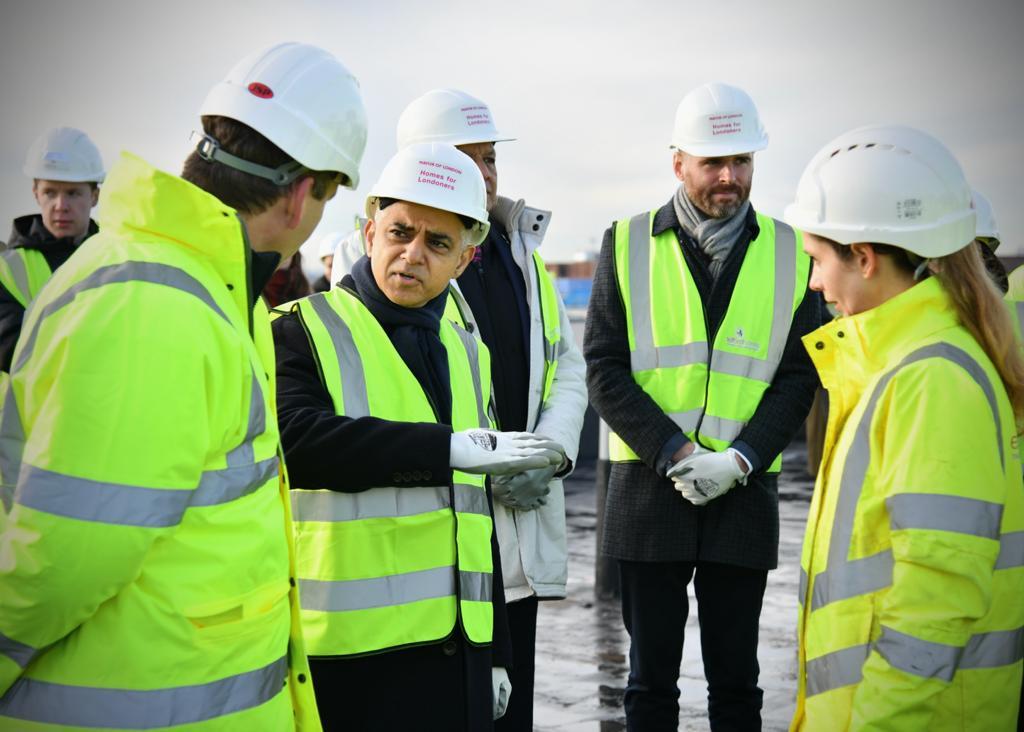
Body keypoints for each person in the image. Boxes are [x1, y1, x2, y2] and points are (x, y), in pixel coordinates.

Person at [0, 41, 368, 730]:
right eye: (328, 197)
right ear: (298, 197)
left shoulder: (203, 283)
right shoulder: (153, 306)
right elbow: (63, 563)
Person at [273, 142, 565, 731]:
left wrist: (497, 653)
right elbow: (295, 442)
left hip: (454, 653)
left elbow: (477, 515)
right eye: (399, 232)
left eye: (437, 244)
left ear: (464, 259)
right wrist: (446, 449)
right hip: (345, 658)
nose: (411, 255)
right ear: (369, 228)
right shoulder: (301, 330)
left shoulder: (466, 350)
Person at [584, 82, 821, 731]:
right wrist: (676, 453)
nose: (729, 176)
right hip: (647, 491)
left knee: (737, 687)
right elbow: (603, 367)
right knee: (649, 684)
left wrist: (740, 460)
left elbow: (801, 377)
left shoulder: (791, 253)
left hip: (742, 497)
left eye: (741, 161)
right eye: (713, 162)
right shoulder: (626, 242)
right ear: (678, 162)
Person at [785, 124, 1024, 731]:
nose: (814, 283)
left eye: (816, 260)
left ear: (863, 258)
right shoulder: (905, 366)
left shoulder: (932, 380)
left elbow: (933, 605)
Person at [396, 88, 588, 730]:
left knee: (513, 715)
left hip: (515, 528)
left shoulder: (521, 255)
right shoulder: (382, 259)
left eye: (488, 158)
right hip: (436, 544)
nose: (482, 173)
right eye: (464, 158)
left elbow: (566, 366)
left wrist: (548, 454)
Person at [0, 127, 104, 372]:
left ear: (95, 196)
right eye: (50, 192)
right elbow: (15, 351)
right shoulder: (6, 271)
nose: (61, 206)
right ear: (36, 194)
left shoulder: (118, 261)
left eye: (72, 193)